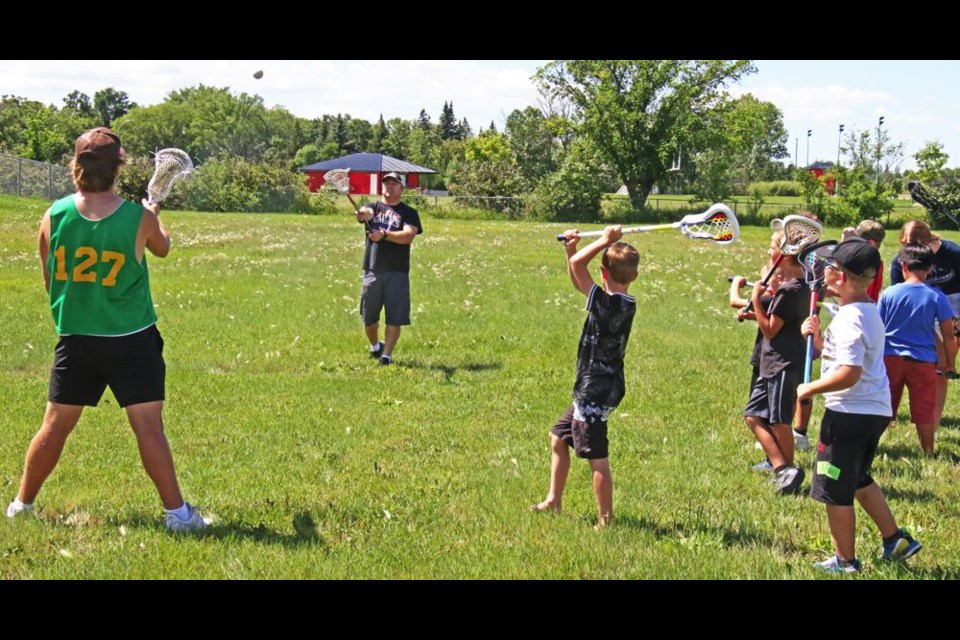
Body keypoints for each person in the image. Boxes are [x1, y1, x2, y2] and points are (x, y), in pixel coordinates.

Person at [6, 127, 207, 532]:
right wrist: (153, 212)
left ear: (76, 166)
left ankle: (21, 506)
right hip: (131, 340)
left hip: (76, 339)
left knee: (55, 425)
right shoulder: (138, 217)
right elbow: (162, 247)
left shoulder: (53, 214)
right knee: (148, 428)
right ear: (119, 168)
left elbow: (52, 282)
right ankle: (179, 516)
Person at [799, 238, 921, 573]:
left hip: (849, 413)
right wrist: (820, 340)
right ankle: (895, 539)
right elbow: (849, 360)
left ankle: (845, 561)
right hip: (873, 411)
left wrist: (808, 387)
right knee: (857, 478)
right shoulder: (867, 311)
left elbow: (849, 374)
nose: (823, 270)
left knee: (833, 486)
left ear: (838, 277)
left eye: (829, 266)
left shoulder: (849, 319)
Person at [530, 226, 639, 530]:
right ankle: (554, 500)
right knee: (558, 437)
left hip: (595, 389)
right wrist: (570, 249)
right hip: (595, 387)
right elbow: (578, 274)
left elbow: (580, 268)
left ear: (603, 272)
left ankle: (606, 519)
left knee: (597, 457)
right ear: (634, 276)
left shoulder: (608, 304)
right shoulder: (620, 302)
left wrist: (605, 240)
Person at [878, 242, 957, 454]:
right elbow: (948, 336)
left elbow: (877, 328)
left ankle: (871, 447)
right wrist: (949, 363)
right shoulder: (936, 296)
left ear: (903, 266)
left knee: (884, 405)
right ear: (930, 269)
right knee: (924, 409)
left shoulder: (889, 294)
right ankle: (928, 451)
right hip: (923, 361)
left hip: (889, 359)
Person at [742, 246, 808, 494]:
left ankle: (788, 470)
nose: (771, 257)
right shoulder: (793, 288)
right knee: (752, 415)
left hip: (784, 363)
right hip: (771, 362)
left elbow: (770, 329)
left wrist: (757, 299)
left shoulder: (791, 291)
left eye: (773, 252)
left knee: (780, 421)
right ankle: (782, 468)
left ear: (787, 257)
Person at [890, 220, 960, 432]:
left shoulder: (953, 253)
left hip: (955, 308)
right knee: (935, 366)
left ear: (928, 241)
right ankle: (918, 420)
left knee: (945, 365)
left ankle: (932, 421)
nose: (909, 253)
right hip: (924, 314)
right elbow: (899, 294)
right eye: (905, 248)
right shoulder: (901, 260)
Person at [355, 172, 423, 366]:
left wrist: (384, 235)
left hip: (398, 271)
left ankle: (387, 355)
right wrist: (361, 215)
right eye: (386, 183)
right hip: (373, 268)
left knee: (395, 316)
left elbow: (408, 236)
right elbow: (365, 213)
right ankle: (375, 346)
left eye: (394, 184)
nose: (390, 187)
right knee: (368, 317)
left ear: (402, 188)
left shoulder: (409, 213)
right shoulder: (374, 207)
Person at [841, 219, 886, 302]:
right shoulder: (876, 263)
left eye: (857, 240)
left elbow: (853, 293)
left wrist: (844, 244)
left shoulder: (864, 265)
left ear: (871, 243)